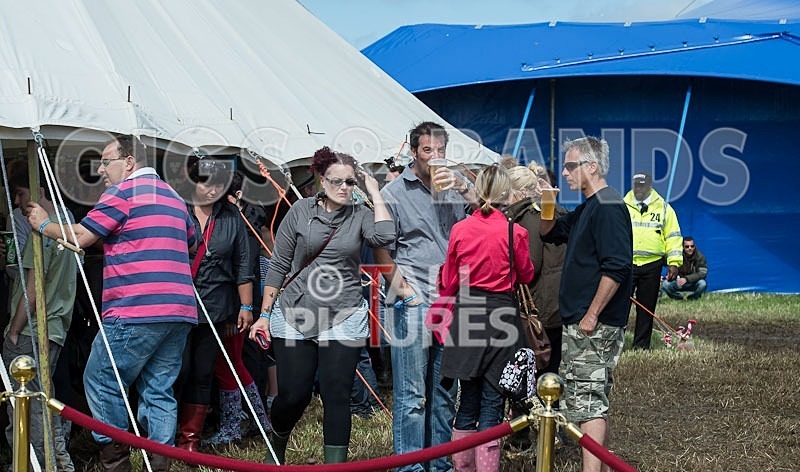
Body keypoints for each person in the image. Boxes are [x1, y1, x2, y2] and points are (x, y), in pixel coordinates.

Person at [26, 135, 197, 472]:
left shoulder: (122, 193)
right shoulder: (175, 198)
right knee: (159, 389)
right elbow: (192, 242)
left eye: (106, 161)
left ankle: (115, 458)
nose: (101, 170)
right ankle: (160, 462)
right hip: (179, 310)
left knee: (101, 378)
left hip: (134, 308)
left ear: (129, 162)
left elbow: (82, 236)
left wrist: (44, 223)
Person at [249, 146, 394, 464]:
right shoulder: (300, 211)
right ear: (321, 180)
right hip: (296, 310)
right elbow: (279, 265)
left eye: (350, 182)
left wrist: (374, 193)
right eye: (336, 181)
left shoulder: (361, 214)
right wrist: (263, 315)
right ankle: (277, 444)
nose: (343, 187)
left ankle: (334, 467)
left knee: (336, 393)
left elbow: (385, 237)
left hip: (344, 313)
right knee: (294, 394)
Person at [374, 121, 476, 472]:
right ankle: (410, 467)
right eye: (428, 150)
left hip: (450, 298)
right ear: (413, 151)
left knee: (445, 392)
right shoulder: (394, 192)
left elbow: (488, 213)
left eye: (441, 150)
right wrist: (405, 293)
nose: (435, 157)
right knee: (413, 394)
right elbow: (382, 250)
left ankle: (439, 464)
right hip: (414, 299)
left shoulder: (455, 187)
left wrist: (465, 187)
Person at [539, 137, 632, 472]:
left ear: (592, 166)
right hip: (581, 321)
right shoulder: (588, 207)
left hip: (593, 324)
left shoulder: (608, 206)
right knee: (587, 398)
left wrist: (592, 315)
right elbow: (549, 232)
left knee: (588, 401)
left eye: (570, 166)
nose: (565, 173)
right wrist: (547, 200)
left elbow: (617, 267)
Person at [440, 166, 534, 471]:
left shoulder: (460, 229)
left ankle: (463, 468)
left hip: (468, 313)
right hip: (501, 316)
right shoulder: (515, 232)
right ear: (507, 194)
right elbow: (527, 274)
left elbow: (449, 280)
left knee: (467, 399)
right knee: (493, 400)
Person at [174, 159, 254, 452]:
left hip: (216, 308)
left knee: (203, 372)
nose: (212, 191)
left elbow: (243, 264)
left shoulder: (231, 216)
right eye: (206, 183)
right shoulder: (177, 209)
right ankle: (163, 432)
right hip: (177, 305)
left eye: (219, 186)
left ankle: (189, 440)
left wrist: (246, 306)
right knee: (178, 370)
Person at [3, 167, 77, 471]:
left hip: (32, 329)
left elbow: (32, 290)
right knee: (46, 403)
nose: (16, 202)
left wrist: (14, 330)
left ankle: (32, 465)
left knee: (25, 408)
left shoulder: (41, 232)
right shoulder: (67, 226)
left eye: (20, 193)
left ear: (39, 190)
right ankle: (59, 463)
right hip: (56, 326)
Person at [200, 170, 272, 447]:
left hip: (234, 307)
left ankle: (234, 425)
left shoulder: (237, 224)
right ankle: (258, 421)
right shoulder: (246, 221)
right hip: (237, 304)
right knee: (235, 363)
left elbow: (241, 271)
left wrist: (236, 311)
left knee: (228, 364)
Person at [624, 172, 683, 349]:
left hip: (652, 264)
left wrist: (674, 263)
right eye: (636, 185)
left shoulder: (664, 208)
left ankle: (641, 346)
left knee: (646, 307)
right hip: (627, 263)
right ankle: (615, 343)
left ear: (650, 186)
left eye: (642, 185)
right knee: (620, 307)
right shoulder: (623, 206)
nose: (639, 189)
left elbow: (673, 237)